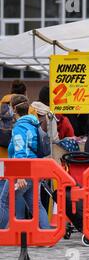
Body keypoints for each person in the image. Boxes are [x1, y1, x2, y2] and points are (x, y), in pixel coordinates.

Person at [0, 95, 51, 229]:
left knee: (4, 202)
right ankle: (46, 235)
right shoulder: (33, 124)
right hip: (34, 169)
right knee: (36, 204)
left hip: (21, 171)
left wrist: (20, 175)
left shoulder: (20, 127)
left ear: (13, 109)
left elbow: (20, 151)